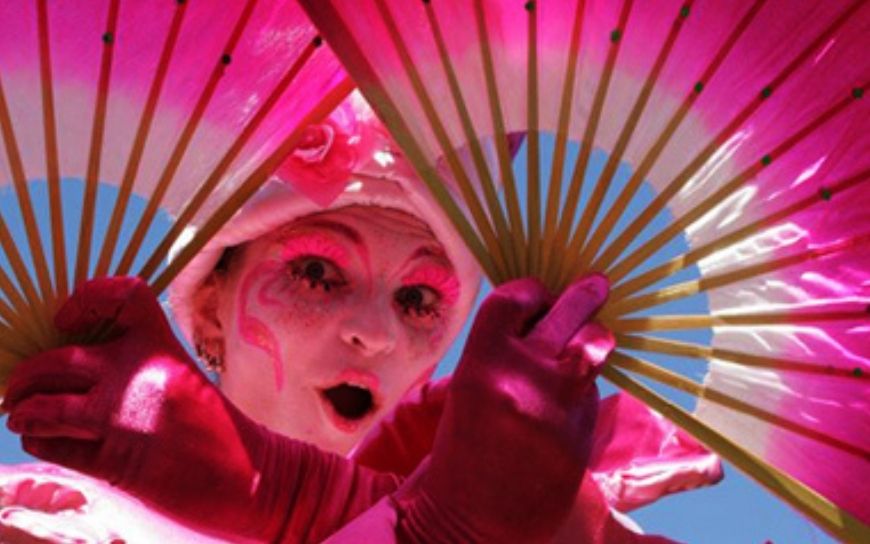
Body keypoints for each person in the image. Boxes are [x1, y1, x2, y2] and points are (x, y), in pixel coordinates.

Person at [0, 93, 721, 543]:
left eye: (419, 300)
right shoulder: (52, 525)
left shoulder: (566, 525)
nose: (376, 334)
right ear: (210, 305)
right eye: (317, 273)